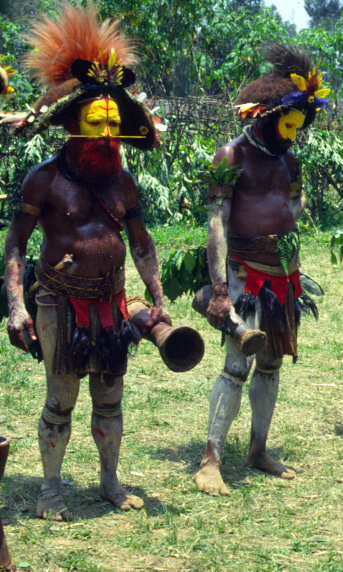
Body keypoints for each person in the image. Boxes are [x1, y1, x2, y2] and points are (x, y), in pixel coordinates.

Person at [4, 4, 169, 520]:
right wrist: (15, 305)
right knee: (61, 396)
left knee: (111, 395)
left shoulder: (121, 181)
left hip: (112, 302)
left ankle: (109, 481)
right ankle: (50, 490)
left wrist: (158, 296)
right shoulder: (45, 180)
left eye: (114, 124)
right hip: (58, 298)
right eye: (96, 122)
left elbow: (141, 242)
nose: (107, 133)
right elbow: (15, 247)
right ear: (73, 123)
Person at [193, 45, 328, 495]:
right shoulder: (230, 156)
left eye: (298, 127)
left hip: (283, 274)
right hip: (244, 272)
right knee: (238, 363)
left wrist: (287, 247)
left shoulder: (289, 159)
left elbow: (295, 205)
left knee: (271, 364)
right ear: (266, 116)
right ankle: (211, 458)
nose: (292, 135)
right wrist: (218, 289)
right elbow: (216, 223)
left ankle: (257, 449)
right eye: (287, 125)